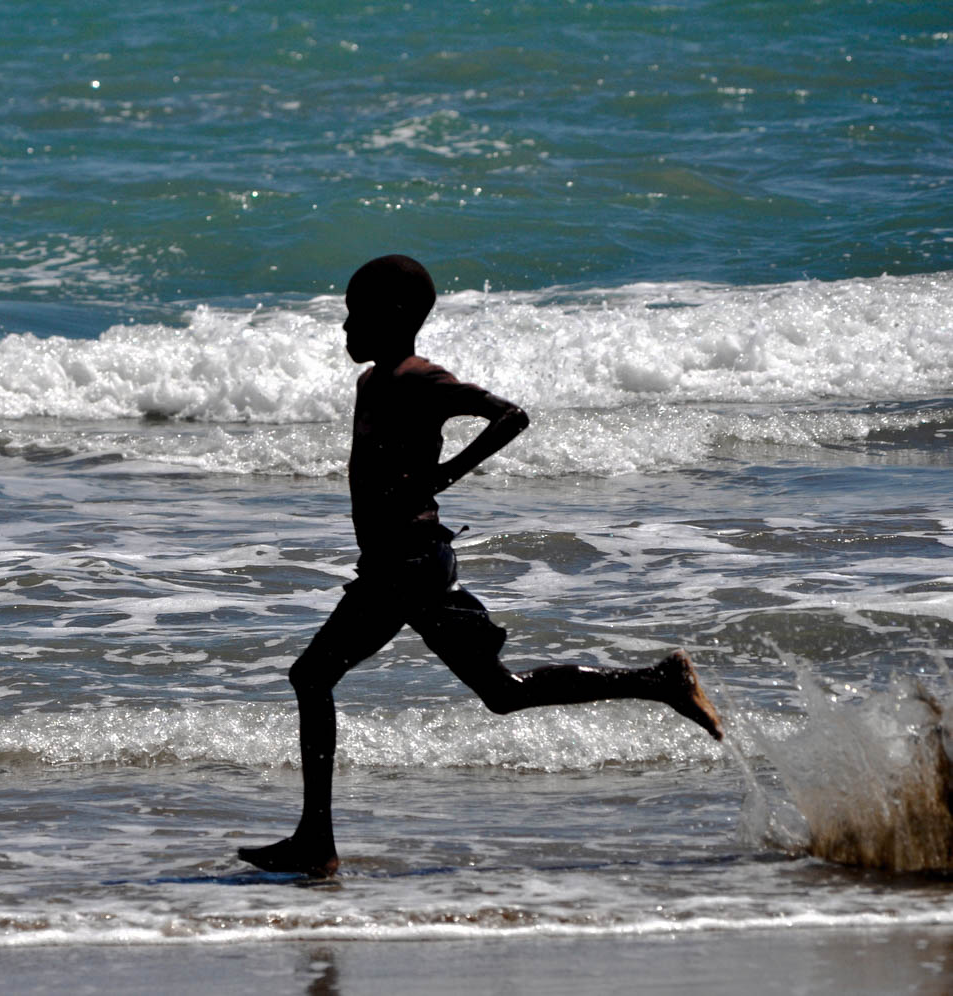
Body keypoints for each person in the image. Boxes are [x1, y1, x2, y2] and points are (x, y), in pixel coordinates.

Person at [237, 254, 723, 878]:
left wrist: (444, 475)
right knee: (501, 692)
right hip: (399, 564)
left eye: (355, 313)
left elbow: (510, 415)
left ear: (392, 316)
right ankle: (659, 682)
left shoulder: (419, 378)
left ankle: (316, 843)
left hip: (407, 565)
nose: (344, 326)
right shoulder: (373, 382)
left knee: (311, 677)